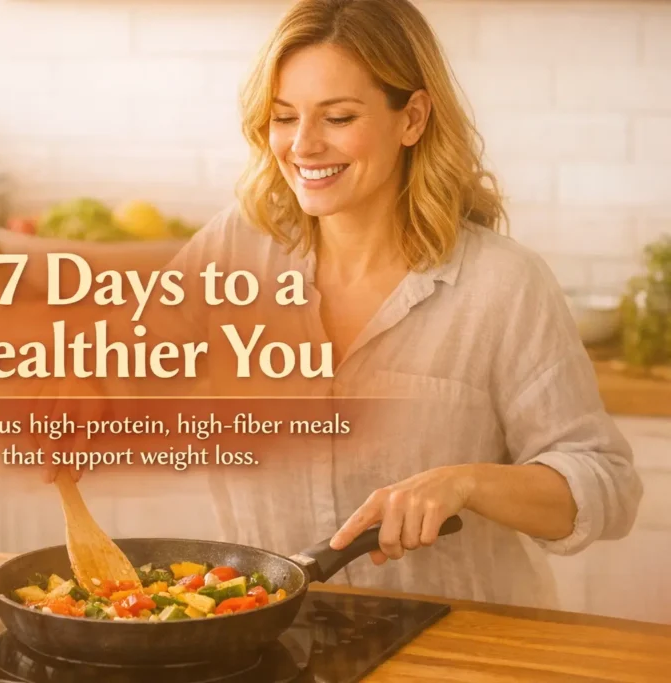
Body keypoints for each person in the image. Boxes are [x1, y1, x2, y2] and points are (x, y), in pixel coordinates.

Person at [39, 0, 643, 609]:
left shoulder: (503, 285)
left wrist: (467, 482)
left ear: (411, 119)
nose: (303, 145)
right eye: (284, 117)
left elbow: (607, 487)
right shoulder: (235, 247)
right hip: (265, 642)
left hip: (463, 648)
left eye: (339, 117)